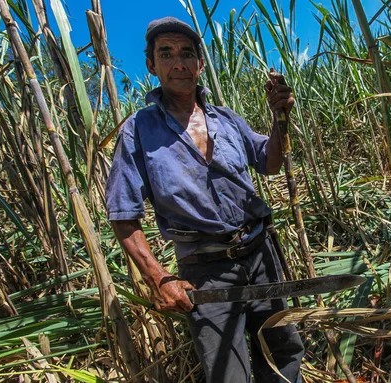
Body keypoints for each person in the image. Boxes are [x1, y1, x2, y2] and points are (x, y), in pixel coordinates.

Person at [105, 16, 304, 383]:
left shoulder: (227, 119)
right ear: (151, 65)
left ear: (200, 63)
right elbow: (123, 214)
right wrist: (159, 278)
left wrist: (280, 118)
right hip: (205, 271)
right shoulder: (138, 131)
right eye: (166, 53)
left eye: (187, 53)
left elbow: (269, 162)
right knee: (228, 374)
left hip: (261, 255)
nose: (178, 62)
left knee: (283, 353)